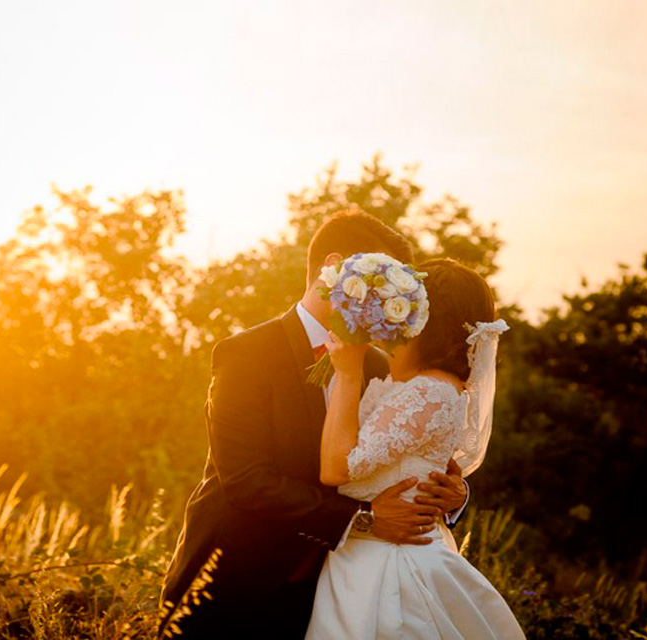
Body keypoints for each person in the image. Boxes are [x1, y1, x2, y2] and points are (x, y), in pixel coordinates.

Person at [160, 213, 471, 639]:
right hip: (236, 582)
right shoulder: (246, 353)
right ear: (335, 267)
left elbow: (412, 450)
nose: (385, 299)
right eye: (381, 281)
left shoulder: (380, 367)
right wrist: (365, 521)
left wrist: (450, 496)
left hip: (339, 592)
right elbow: (246, 480)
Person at [305, 258, 525, 639]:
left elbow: (337, 470)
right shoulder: (418, 384)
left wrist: (346, 372)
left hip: (389, 572)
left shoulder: (430, 391)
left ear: (427, 319)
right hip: (361, 562)